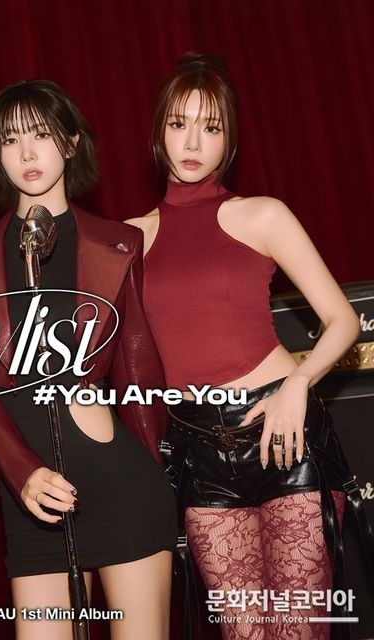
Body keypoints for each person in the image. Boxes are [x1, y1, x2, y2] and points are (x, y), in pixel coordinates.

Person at [127, 52, 366, 640]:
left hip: (285, 435)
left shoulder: (262, 216)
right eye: (179, 123)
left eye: (211, 127)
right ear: (158, 130)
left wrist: (298, 384)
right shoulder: (128, 240)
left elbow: (342, 320)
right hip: (198, 451)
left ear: (229, 139)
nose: (192, 142)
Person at [0, 80, 177, 640]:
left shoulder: (119, 244)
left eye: (41, 134)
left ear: (70, 143)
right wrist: (22, 472)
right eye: (10, 139)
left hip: (122, 491)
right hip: (32, 503)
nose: (26, 152)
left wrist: (163, 473)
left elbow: (139, 373)